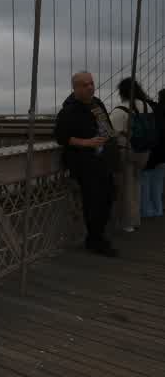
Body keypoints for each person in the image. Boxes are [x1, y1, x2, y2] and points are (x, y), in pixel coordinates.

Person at [55, 71, 119, 257]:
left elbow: (106, 128)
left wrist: (109, 137)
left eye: (91, 83)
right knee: (93, 202)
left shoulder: (96, 104)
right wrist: (87, 143)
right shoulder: (68, 111)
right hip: (85, 163)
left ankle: (99, 236)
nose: (90, 87)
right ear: (75, 88)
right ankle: (95, 239)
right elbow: (61, 137)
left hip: (103, 160)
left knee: (108, 197)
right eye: (85, 85)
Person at [110, 78, 152, 232]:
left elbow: (110, 133)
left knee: (125, 188)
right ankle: (136, 218)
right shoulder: (147, 106)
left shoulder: (120, 110)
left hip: (126, 151)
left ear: (122, 92)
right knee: (136, 185)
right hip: (144, 151)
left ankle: (128, 223)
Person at [141, 88, 165, 217]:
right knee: (158, 184)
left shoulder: (154, 110)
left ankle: (146, 211)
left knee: (145, 183)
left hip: (151, 153)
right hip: (162, 155)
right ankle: (158, 209)